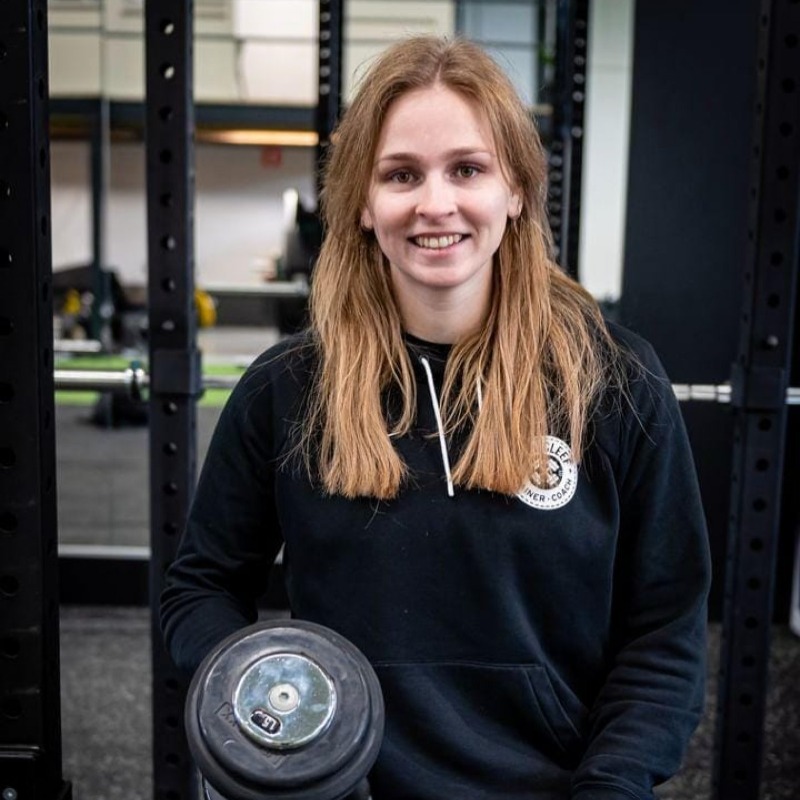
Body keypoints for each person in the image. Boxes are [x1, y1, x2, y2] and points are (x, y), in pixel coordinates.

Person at [161, 35, 711, 800]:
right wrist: (274, 724)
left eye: (467, 169)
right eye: (401, 175)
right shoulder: (285, 388)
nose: (435, 204)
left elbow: (665, 629)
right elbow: (200, 589)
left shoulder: (614, 379)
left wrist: (611, 785)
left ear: (516, 189)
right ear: (363, 203)